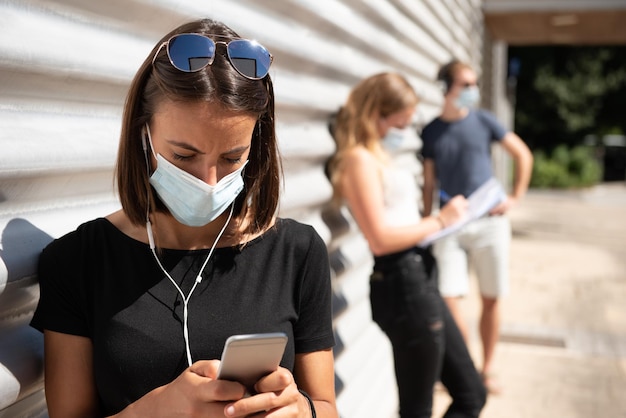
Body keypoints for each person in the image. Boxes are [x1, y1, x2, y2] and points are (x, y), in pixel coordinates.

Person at [30, 18, 337, 418]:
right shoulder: (78, 261)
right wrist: (159, 408)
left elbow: (327, 406)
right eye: (184, 156)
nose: (209, 181)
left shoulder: (297, 251)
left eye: (231, 157)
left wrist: (303, 411)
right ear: (144, 134)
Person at [328, 72, 486, 418]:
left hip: (419, 275)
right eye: (399, 123)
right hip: (401, 282)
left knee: (472, 393)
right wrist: (441, 220)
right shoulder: (358, 159)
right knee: (418, 409)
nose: (404, 130)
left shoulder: (377, 155)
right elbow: (381, 240)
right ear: (375, 115)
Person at [421, 59, 533, 394]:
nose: (473, 91)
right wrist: (427, 224)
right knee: (449, 299)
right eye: (465, 85)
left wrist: (514, 197)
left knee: (491, 298)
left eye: (474, 84)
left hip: (490, 223)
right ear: (446, 89)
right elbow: (428, 184)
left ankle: (488, 368)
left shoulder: (485, 121)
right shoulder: (431, 131)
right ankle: (465, 368)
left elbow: (523, 154)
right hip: (451, 226)